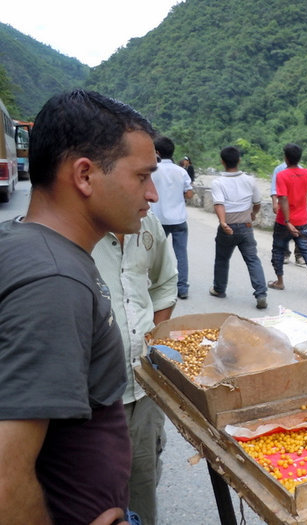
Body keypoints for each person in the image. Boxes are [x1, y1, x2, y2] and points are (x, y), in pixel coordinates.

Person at [0, 89, 159, 525]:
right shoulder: (55, 283)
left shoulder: (22, 241)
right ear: (85, 176)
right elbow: (4, 482)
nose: (153, 195)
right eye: (142, 176)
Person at [92, 211, 178, 525]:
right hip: (91, 401)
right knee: (93, 495)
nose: (152, 192)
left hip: (143, 389)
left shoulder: (148, 224)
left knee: (142, 481)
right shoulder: (70, 230)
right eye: (141, 176)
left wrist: (151, 342)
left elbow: (165, 282)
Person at [209, 146, 268, 309]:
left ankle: (219, 289)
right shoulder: (249, 180)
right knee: (252, 260)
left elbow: (219, 204)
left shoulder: (218, 182)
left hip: (228, 226)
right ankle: (261, 294)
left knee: (222, 259)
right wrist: (253, 214)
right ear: (239, 160)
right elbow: (257, 203)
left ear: (222, 162)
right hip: (246, 226)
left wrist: (223, 223)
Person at [267, 143, 307, 300]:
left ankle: (279, 282)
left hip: (284, 220)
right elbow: (304, 191)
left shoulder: (282, 175)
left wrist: (287, 221)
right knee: (306, 249)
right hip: (302, 219)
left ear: (286, 158)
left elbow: (283, 198)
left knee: (278, 250)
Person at [150, 136, 193, 299]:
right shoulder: (181, 171)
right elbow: (189, 194)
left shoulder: (153, 170)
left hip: (158, 219)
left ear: (157, 152)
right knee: (181, 253)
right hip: (179, 219)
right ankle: (182, 288)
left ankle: (154, 284)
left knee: (154, 253)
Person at [271, 160, 303, 266]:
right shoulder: (279, 169)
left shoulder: (301, 170)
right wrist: (274, 203)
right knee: (283, 228)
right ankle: (285, 254)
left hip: (296, 205)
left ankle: (299, 255)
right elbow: (274, 188)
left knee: (299, 228)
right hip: (283, 203)